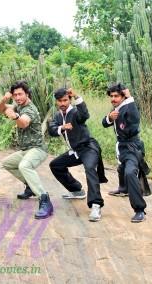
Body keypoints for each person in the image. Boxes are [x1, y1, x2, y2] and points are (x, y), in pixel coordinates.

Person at [48, 88, 107, 222]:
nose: (62, 103)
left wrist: (77, 97)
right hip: (75, 151)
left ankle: (96, 205)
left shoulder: (75, 112)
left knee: (90, 168)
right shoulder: (57, 116)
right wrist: (62, 128)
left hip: (88, 148)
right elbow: (52, 130)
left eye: (65, 100)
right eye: (60, 101)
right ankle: (76, 190)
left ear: (69, 100)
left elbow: (85, 115)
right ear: (56, 102)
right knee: (55, 165)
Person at [0, 80, 53, 219]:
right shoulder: (18, 105)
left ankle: (44, 199)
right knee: (7, 163)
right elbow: (0, 109)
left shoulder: (30, 109)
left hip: (38, 149)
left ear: (27, 94)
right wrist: (5, 99)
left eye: (20, 94)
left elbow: (23, 123)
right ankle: (30, 186)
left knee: (24, 166)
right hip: (25, 150)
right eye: (15, 95)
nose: (17, 97)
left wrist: (15, 116)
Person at [102, 83, 148, 223]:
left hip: (132, 147)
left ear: (123, 96)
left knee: (129, 172)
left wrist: (130, 98)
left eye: (116, 96)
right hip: (121, 147)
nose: (113, 99)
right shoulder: (117, 109)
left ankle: (139, 209)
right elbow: (104, 123)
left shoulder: (129, 107)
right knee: (121, 167)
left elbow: (134, 120)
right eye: (112, 96)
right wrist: (110, 118)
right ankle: (123, 188)